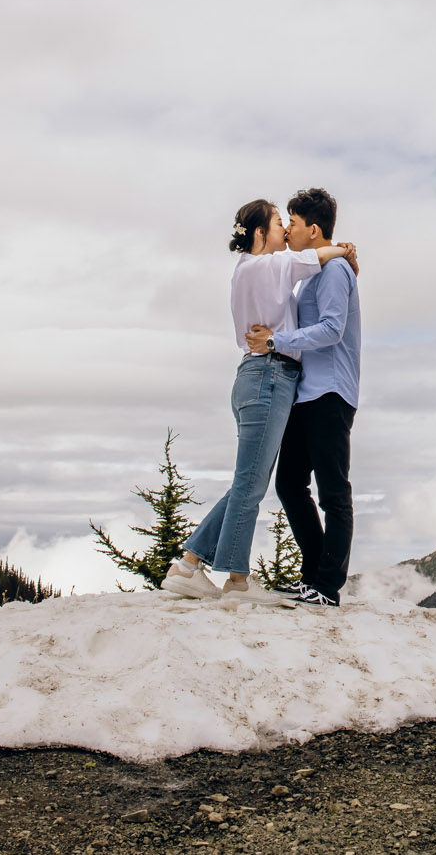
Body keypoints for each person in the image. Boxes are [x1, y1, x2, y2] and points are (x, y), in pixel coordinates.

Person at [164, 198, 354, 602]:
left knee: (251, 481)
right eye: (279, 223)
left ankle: (190, 562)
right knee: (254, 483)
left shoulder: (253, 272)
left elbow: (317, 278)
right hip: (270, 375)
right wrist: (345, 249)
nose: (286, 229)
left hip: (264, 375)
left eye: (292, 222)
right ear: (259, 234)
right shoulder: (268, 266)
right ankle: (234, 579)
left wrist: (338, 254)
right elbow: (314, 257)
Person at [250, 187, 360, 608]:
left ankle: (328, 587)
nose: (289, 231)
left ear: (312, 230)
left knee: (334, 493)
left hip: (330, 392)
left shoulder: (334, 273)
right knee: (290, 484)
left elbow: (332, 328)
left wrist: (275, 341)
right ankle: (313, 575)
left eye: (292, 224)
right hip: (307, 393)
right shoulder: (319, 269)